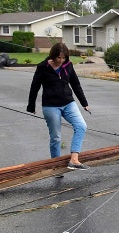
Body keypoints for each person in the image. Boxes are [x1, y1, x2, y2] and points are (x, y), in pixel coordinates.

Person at [27, 42, 91, 171]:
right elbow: (35, 87)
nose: (61, 61)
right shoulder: (42, 67)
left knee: (81, 126)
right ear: (53, 56)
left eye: (64, 58)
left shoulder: (68, 66)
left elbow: (76, 84)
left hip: (68, 103)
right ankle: (56, 167)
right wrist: (31, 105)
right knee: (56, 137)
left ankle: (74, 159)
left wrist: (84, 103)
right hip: (50, 106)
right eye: (59, 58)